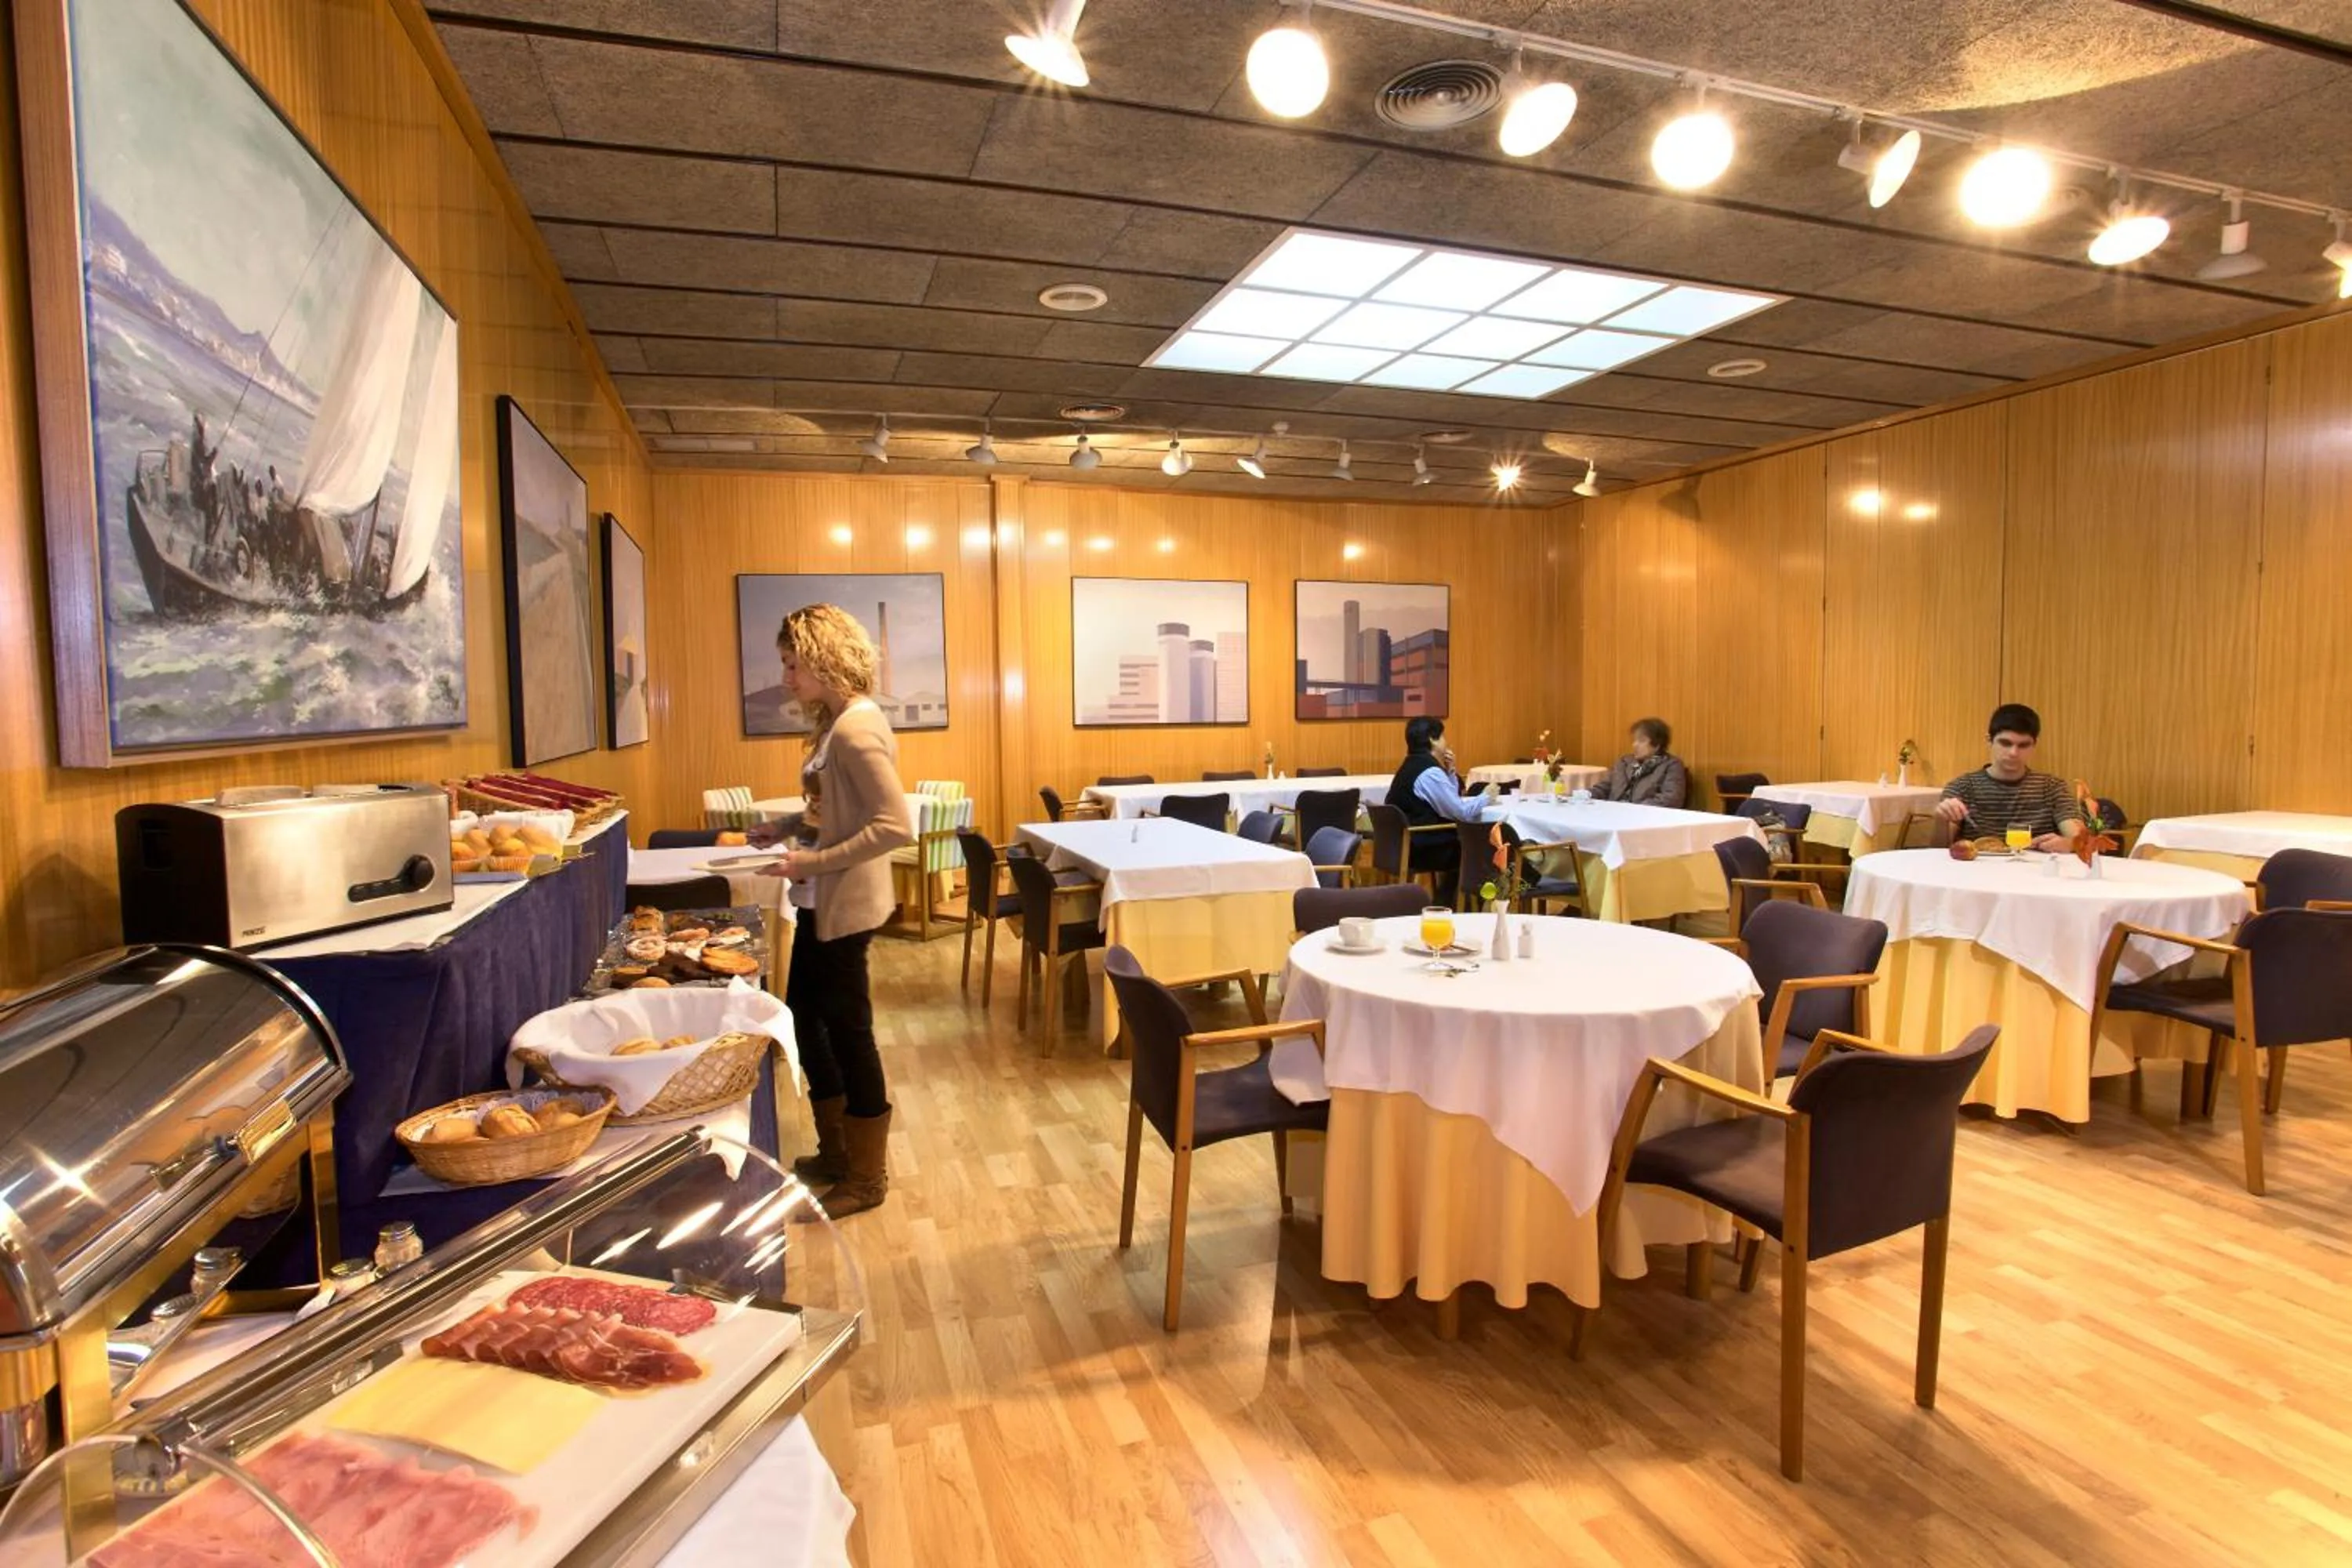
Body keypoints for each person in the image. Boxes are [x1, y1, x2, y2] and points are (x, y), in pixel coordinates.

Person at [747, 604, 914, 1216]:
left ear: (823, 659)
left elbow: (894, 825)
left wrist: (808, 864)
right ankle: (839, 1153)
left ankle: (866, 1180)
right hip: (823, 901)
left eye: (794, 666)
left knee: (848, 1035)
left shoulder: (856, 728)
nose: (788, 678)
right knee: (808, 1024)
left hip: (841, 904)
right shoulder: (838, 725)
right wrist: (787, 826)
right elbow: (831, 812)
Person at [1935, 702, 2084, 851]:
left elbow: (2082, 841)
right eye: (2005, 743)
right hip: (1979, 870)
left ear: (2034, 745)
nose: (2013, 753)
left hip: (2035, 871)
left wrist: (2070, 844)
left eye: (2023, 745)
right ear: (1989, 741)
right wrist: (1941, 820)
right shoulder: (1962, 787)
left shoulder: (2052, 787)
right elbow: (1937, 850)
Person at [1386, 716, 1485, 905]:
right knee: (1478, 848)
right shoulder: (1429, 772)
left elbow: (1450, 799)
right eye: (1442, 736)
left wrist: (1451, 771)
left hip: (1405, 845)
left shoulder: (1410, 765)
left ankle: (1449, 904)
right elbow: (1459, 812)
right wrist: (1486, 797)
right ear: (1432, 739)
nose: (1446, 742)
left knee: (1469, 845)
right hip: (1424, 847)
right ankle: (1456, 907)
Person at [1593, 717, 1689, 808]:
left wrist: (1636, 808)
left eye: (1642, 741)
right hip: (1615, 814)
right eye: (1634, 740)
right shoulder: (1624, 762)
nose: (1635, 745)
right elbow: (1605, 787)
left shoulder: (1671, 765)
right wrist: (1586, 794)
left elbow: (1671, 799)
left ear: (1657, 745)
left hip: (1647, 818)